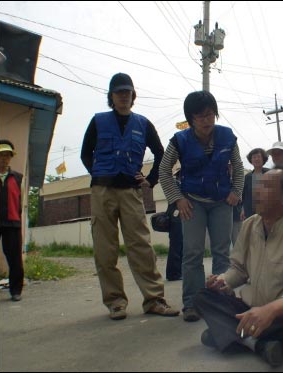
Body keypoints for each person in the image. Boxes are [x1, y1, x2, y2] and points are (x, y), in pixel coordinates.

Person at [193, 166, 283, 367]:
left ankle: (229, 334)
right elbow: (238, 269)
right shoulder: (249, 225)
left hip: (281, 314)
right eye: (258, 185)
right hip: (248, 308)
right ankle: (256, 344)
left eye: (266, 187)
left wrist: (271, 310)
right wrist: (222, 281)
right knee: (202, 297)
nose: (256, 191)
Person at [81, 72, 179, 320]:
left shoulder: (143, 124)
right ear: (111, 97)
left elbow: (161, 154)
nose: (124, 96)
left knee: (141, 246)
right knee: (105, 249)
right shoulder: (98, 121)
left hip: (131, 193)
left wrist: (151, 179)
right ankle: (115, 302)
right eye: (119, 92)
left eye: (128, 92)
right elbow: (85, 153)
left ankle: (154, 299)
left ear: (133, 96)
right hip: (102, 191)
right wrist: (99, 173)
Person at [159, 90, 244, 322]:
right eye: (200, 116)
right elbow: (163, 172)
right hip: (192, 203)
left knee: (221, 253)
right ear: (190, 118)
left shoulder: (228, 137)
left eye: (210, 115)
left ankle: (221, 301)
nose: (206, 120)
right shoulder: (179, 140)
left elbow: (238, 165)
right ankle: (192, 304)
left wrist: (236, 192)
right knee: (192, 254)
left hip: (221, 203)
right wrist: (178, 198)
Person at [0, 140, 24, 302]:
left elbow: (20, 202)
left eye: (7, 156)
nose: (4, 159)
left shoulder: (17, 178)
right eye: (1, 155)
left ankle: (16, 291)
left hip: (12, 222)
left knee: (14, 258)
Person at [240, 148, 269, 220]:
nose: (256, 159)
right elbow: (243, 196)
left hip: (267, 211)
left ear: (263, 159)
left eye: (259, 157)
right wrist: (242, 210)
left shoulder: (270, 173)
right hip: (250, 212)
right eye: (254, 157)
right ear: (251, 160)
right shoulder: (247, 177)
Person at [165, 164, 183, 281]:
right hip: (176, 219)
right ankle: (173, 274)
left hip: (178, 218)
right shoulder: (176, 186)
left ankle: (176, 272)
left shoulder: (178, 185)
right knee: (176, 247)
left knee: (179, 247)